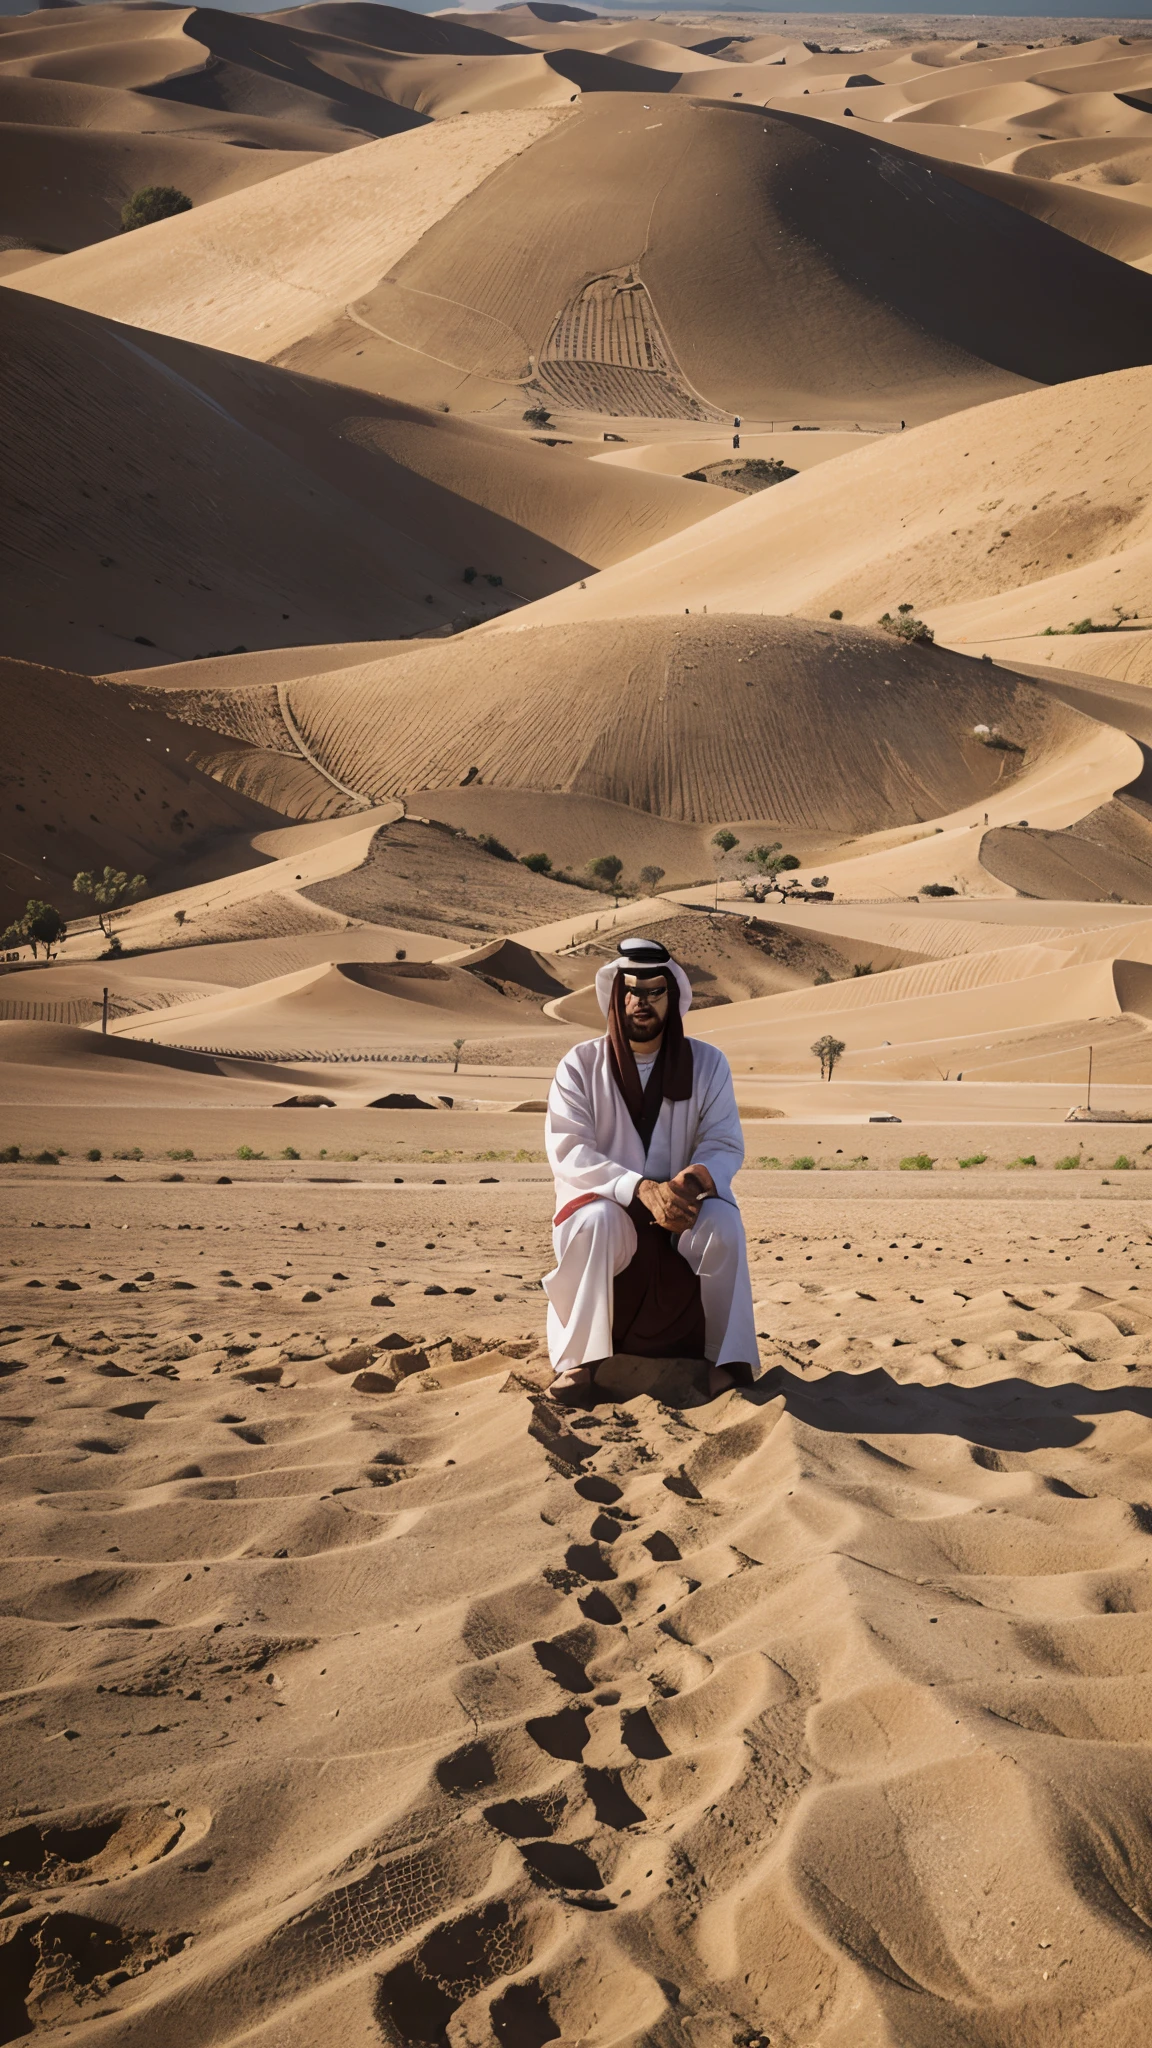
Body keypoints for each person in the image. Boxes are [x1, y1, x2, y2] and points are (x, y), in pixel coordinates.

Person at [543, 936, 761, 1404]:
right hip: (606, 1205)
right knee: (598, 1221)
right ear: (616, 997)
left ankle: (725, 1359)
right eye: (631, 991)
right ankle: (579, 1361)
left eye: (654, 991)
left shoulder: (707, 1063)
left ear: (673, 997)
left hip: (682, 1206)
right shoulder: (581, 1064)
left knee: (722, 1224)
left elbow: (723, 1141)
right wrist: (638, 1188)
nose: (641, 1002)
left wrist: (692, 1181)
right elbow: (569, 1150)